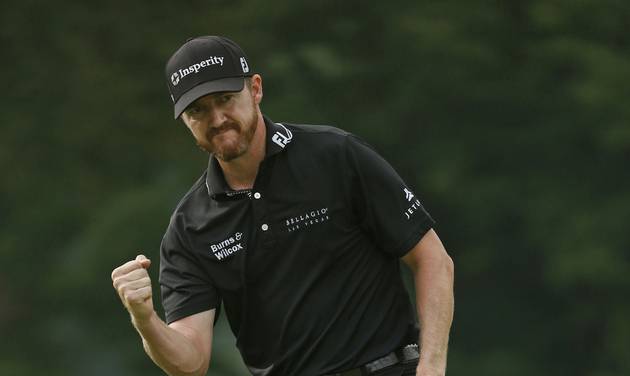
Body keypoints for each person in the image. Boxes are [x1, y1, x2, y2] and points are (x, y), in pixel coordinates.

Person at [111, 35, 454, 376]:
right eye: (198, 110)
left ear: (256, 89)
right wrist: (145, 319)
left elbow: (432, 260)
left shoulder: (335, 156)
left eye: (225, 99)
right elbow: (191, 362)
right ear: (185, 121)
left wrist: (433, 366)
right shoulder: (188, 227)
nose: (217, 119)